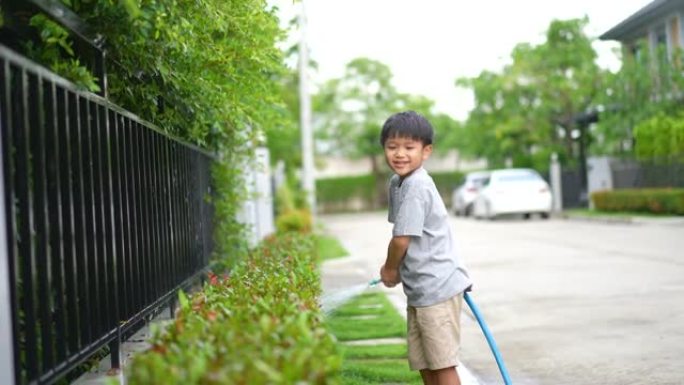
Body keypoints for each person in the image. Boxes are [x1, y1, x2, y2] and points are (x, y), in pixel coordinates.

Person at [379, 110, 472, 385]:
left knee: (442, 364)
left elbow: (401, 239)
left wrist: (389, 269)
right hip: (420, 289)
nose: (400, 154)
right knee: (425, 364)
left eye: (409, 147)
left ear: (426, 151)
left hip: (438, 287)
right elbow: (401, 232)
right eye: (392, 147)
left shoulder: (417, 185)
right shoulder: (397, 183)